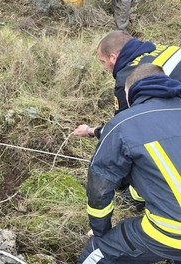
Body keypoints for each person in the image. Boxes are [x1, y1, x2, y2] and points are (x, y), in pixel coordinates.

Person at [77, 63, 181, 264]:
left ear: (131, 92)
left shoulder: (124, 123)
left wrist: (101, 232)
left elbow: (100, 188)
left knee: (96, 253)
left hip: (172, 231)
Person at [74, 30, 181, 138]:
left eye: (103, 61)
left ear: (113, 57)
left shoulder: (127, 77)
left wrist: (90, 130)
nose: (104, 67)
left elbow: (122, 126)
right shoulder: (168, 49)